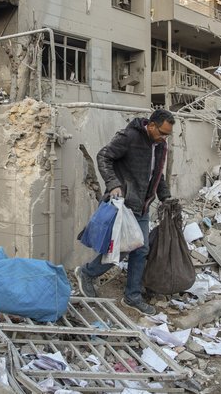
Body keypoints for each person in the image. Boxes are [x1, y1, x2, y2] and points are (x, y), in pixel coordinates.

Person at [74, 109, 176, 315]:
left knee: (141, 249)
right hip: (125, 203)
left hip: (143, 205)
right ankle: (86, 273)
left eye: (167, 134)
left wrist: (166, 196)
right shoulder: (129, 137)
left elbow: (157, 175)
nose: (164, 138)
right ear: (152, 125)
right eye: (162, 133)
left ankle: (132, 297)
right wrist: (113, 184)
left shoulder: (160, 145)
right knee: (123, 249)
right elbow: (103, 156)